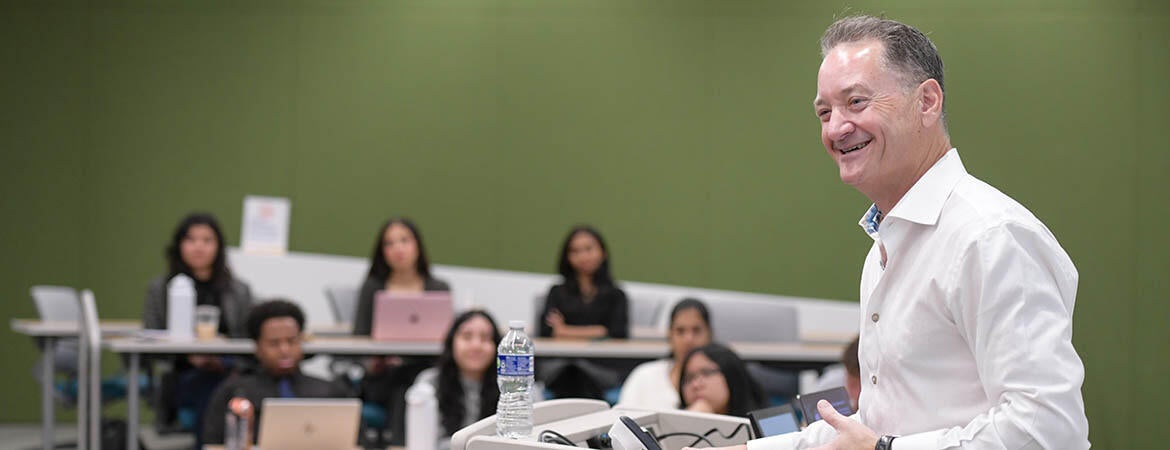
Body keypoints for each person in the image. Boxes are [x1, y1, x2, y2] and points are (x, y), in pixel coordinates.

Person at [700, 15, 1089, 450]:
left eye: (857, 102)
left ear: (927, 101)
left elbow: (1049, 431)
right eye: (824, 112)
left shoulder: (990, 237)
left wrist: (884, 449)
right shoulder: (886, 243)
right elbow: (882, 418)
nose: (835, 128)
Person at [142, 212, 254, 444]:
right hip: (182, 373)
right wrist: (190, 356)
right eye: (191, 240)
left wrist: (223, 360)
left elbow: (249, 339)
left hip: (229, 369)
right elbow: (150, 339)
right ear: (179, 245)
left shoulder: (239, 290)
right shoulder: (161, 289)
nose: (198, 247)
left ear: (219, 246)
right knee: (211, 390)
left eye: (206, 240)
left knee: (230, 388)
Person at [352, 217, 451, 445]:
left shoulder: (438, 288)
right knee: (404, 387)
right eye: (389, 243)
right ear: (382, 251)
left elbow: (448, 341)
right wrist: (372, 362)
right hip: (383, 376)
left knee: (415, 381)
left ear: (417, 245)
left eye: (404, 240)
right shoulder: (372, 287)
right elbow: (358, 338)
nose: (398, 249)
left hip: (427, 370)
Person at [202, 300, 350, 445]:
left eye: (292, 341)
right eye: (274, 343)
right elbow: (213, 444)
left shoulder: (330, 391)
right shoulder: (234, 393)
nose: (284, 350)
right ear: (257, 347)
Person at [537, 225, 629, 399]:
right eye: (575, 251)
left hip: (602, 367)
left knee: (583, 374)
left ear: (603, 252)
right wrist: (599, 330)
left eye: (589, 249)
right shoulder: (556, 292)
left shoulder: (616, 295)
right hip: (560, 367)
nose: (583, 256)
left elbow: (618, 332)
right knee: (571, 371)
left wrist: (564, 331)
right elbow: (546, 331)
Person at [405, 310, 502, 450]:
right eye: (467, 337)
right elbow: (425, 443)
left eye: (485, 338)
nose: (476, 346)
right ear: (452, 342)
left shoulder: (512, 387)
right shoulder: (429, 383)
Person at [617, 298, 712, 410]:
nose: (688, 339)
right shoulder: (644, 376)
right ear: (669, 335)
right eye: (680, 331)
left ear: (710, 333)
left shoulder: (722, 383)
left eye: (696, 330)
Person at [677, 343, 765, 418]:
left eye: (706, 373)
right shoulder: (669, 425)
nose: (695, 385)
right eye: (689, 378)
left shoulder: (767, 425)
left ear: (731, 375)